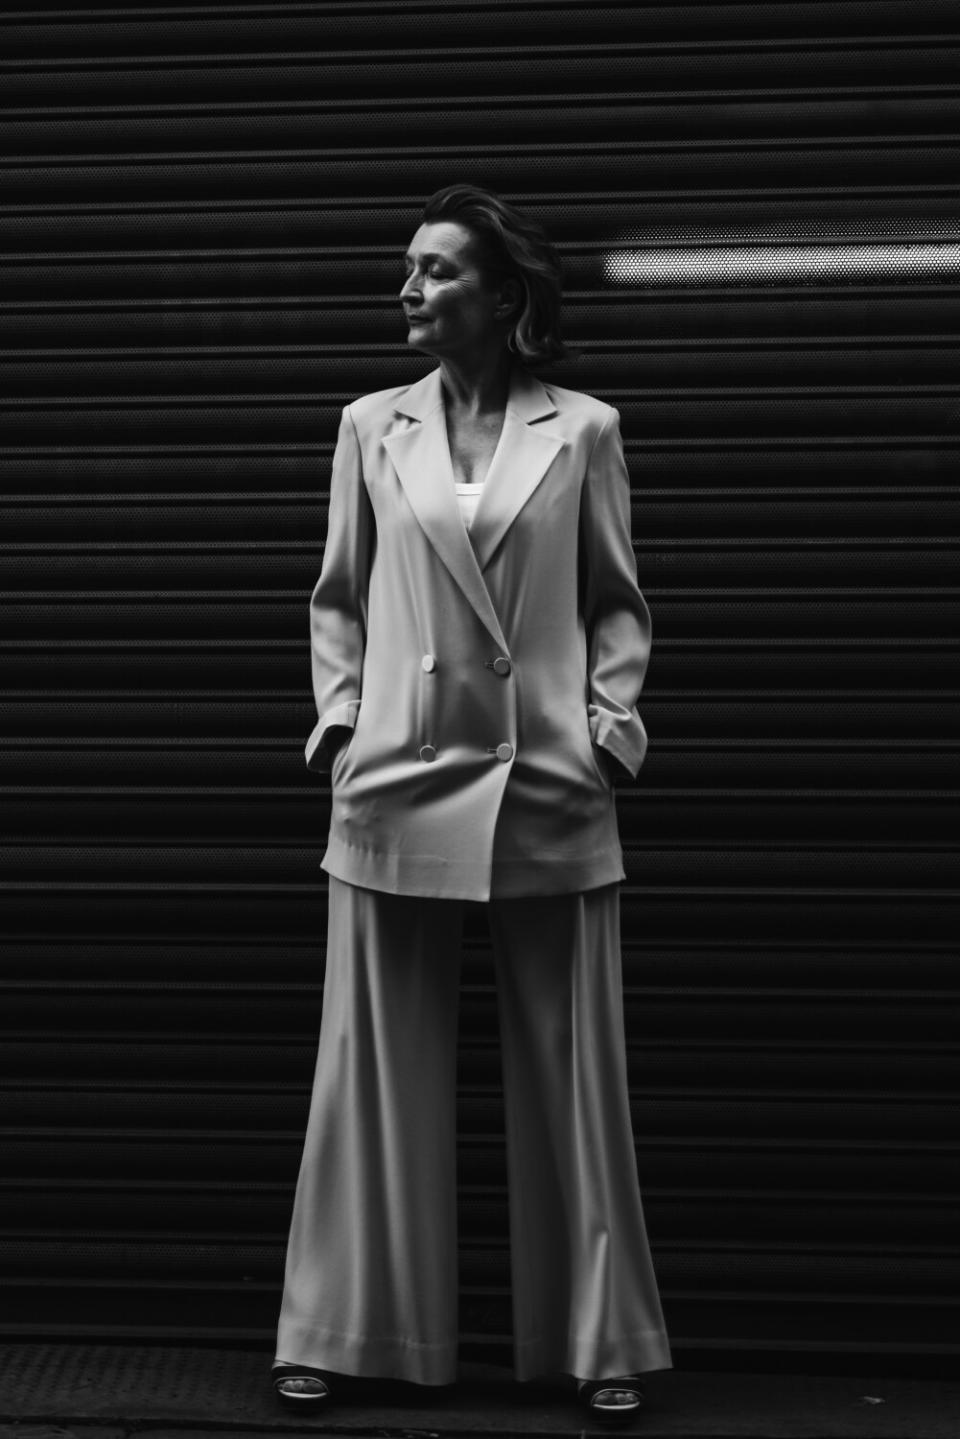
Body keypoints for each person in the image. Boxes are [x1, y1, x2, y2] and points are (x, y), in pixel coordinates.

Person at [271, 183, 672, 1423]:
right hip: (398, 771)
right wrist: (342, 726)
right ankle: (340, 1331)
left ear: (506, 299)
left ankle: (602, 1339)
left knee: (574, 1075)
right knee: (368, 1069)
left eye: (439, 272)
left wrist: (608, 732)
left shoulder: (586, 429)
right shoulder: (367, 425)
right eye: (410, 268)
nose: (410, 289)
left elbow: (617, 598)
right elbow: (339, 595)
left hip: (544, 777)